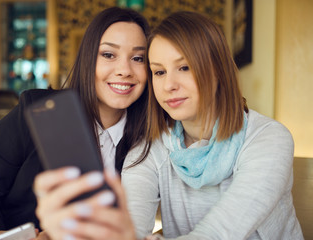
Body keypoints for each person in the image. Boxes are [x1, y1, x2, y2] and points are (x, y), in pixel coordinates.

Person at [33, 10, 304, 240]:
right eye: (159, 72)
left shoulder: (268, 138)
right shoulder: (149, 150)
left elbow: (218, 234)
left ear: (218, 70)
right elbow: (130, 231)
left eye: (184, 67)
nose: (169, 85)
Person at [0, 7, 150, 240]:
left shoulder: (148, 141)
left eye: (138, 58)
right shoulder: (36, 112)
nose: (124, 70)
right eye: (108, 55)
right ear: (87, 59)